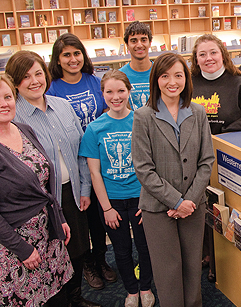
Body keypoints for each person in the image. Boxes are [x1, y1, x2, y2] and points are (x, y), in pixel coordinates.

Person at [5, 50, 102, 307]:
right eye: (25, 77)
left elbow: (82, 150)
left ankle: (75, 298)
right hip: (40, 201)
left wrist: (84, 188)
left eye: (38, 73)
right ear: (15, 82)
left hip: (72, 192)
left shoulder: (62, 105)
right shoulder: (11, 115)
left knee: (79, 249)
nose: (35, 81)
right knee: (50, 254)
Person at [0, 73, 72, 307]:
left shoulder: (24, 129)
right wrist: (24, 249)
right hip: (14, 245)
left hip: (47, 234)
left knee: (56, 297)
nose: (3, 103)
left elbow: (43, 183)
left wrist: (59, 217)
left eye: (8, 96)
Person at [131, 53, 215, 306]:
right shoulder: (144, 116)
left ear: (186, 79)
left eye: (178, 75)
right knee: (168, 271)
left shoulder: (198, 112)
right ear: (156, 80)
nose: (172, 82)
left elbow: (206, 161)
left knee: (192, 267)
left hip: (193, 206)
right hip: (158, 208)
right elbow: (143, 169)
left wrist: (188, 200)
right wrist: (176, 201)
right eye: (165, 75)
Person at [79, 70, 155, 307]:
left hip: (141, 198)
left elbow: (152, 164)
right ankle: (131, 290)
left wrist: (147, 200)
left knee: (145, 248)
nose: (116, 96)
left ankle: (145, 288)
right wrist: (107, 208)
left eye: (121, 90)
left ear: (129, 92)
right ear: (102, 94)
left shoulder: (143, 120)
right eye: (109, 91)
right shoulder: (94, 129)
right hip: (112, 201)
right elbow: (94, 173)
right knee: (121, 250)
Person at [47, 33, 116, 291]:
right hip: (70, 163)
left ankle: (101, 259)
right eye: (66, 55)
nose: (73, 59)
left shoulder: (94, 81)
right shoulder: (52, 88)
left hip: (98, 159)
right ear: (58, 59)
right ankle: (87, 263)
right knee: (80, 218)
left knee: (100, 216)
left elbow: (108, 111)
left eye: (77, 53)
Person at [190, 34, 241, 135]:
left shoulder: (240, 84)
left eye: (213, 53)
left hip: (226, 144)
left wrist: (226, 130)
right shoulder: (188, 84)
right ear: (196, 60)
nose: (208, 58)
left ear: (223, 56)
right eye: (202, 54)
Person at [119, 21, 153, 111]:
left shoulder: (161, 72)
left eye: (143, 40)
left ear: (150, 43)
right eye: (134, 41)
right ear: (127, 45)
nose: (139, 45)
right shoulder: (120, 76)